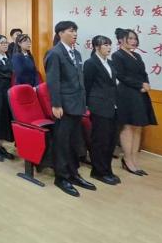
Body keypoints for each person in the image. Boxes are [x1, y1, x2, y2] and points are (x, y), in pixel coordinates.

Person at [45, 21, 96, 197]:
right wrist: (56, 104)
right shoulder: (54, 53)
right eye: (71, 31)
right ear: (60, 33)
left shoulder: (76, 53)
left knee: (75, 141)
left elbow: (79, 80)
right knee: (62, 142)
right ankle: (61, 177)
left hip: (77, 104)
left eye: (76, 31)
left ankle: (74, 174)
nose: (75, 34)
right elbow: (53, 81)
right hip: (64, 106)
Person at [112, 28, 157, 176]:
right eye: (130, 38)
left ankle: (134, 160)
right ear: (121, 40)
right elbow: (121, 76)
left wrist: (146, 83)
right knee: (128, 126)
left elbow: (143, 73)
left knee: (138, 127)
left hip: (141, 93)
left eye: (134, 38)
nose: (133, 41)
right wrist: (140, 85)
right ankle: (127, 159)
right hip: (127, 94)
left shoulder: (137, 55)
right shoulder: (117, 55)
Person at [83, 35, 121, 185]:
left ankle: (107, 169)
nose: (109, 47)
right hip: (98, 106)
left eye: (109, 44)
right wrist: (88, 105)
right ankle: (98, 171)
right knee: (100, 140)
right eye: (105, 45)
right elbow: (87, 85)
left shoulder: (110, 63)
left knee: (111, 140)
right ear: (96, 47)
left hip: (113, 105)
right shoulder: (91, 63)